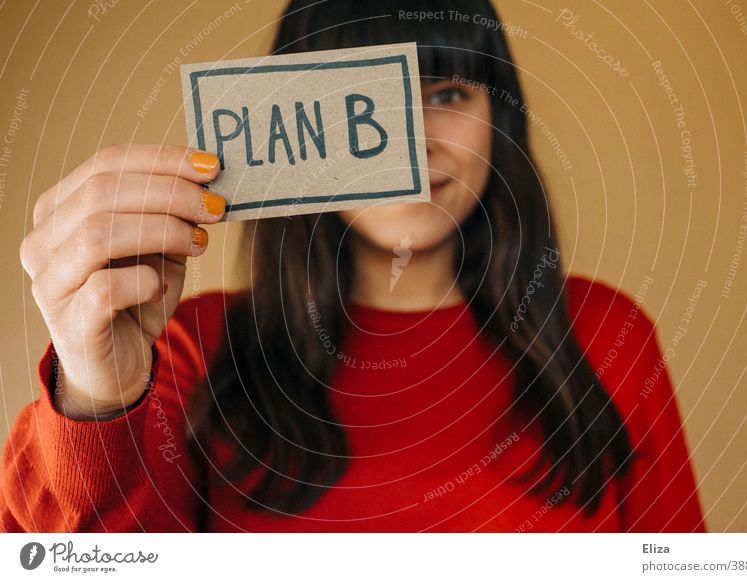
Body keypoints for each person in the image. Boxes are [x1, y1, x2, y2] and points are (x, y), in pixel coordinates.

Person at [1, 0, 705, 532]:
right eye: (365, 103)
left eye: (448, 93)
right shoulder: (188, 349)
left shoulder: (612, 335)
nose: (410, 141)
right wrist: (98, 397)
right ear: (294, 126)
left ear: (500, 120)